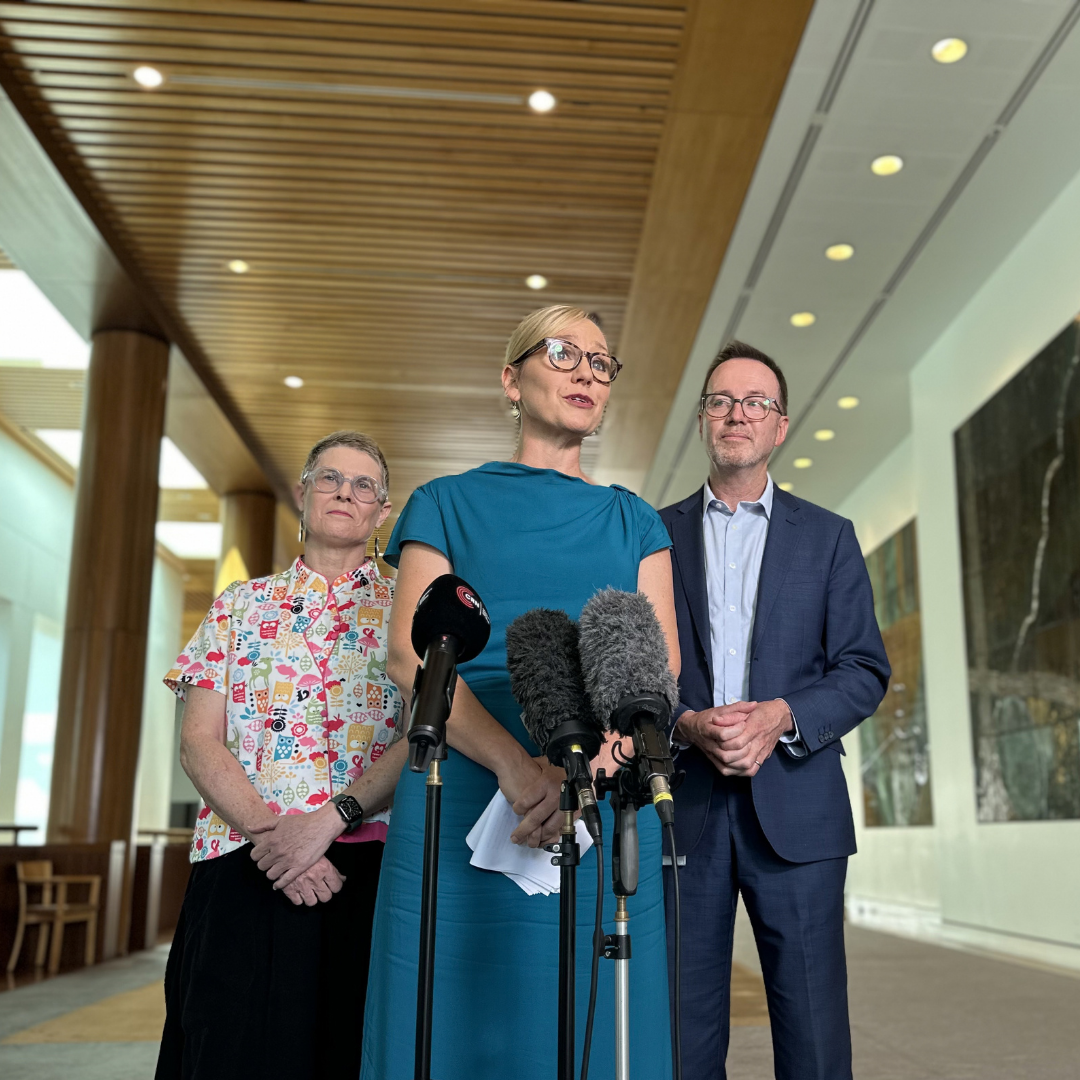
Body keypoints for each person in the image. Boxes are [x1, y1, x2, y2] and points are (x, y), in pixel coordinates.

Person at [360, 306, 679, 1080]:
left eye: (602, 363)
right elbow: (410, 657)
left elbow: (656, 676)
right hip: (460, 779)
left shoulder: (635, 520)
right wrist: (517, 767)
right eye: (564, 352)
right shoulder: (442, 501)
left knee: (590, 1025)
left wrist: (581, 780)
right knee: (443, 1017)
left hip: (596, 796)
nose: (585, 372)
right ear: (512, 378)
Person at [658, 341, 890, 1080]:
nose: (738, 414)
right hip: (683, 801)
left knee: (813, 1026)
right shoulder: (651, 536)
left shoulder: (828, 537)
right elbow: (629, 669)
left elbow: (863, 668)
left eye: (756, 402)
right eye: (722, 401)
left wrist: (782, 714)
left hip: (799, 807)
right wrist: (686, 722)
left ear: (780, 426)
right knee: (682, 1030)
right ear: (703, 420)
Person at [157, 431, 409, 1080]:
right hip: (246, 859)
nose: (345, 494)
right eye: (329, 478)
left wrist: (323, 826)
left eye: (364, 487)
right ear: (302, 493)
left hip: (370, 864)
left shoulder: (409, 611)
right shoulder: (238, 605)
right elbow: (198, 740)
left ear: (383, 512)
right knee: (229, 1048)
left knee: (351, 1051)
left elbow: (423, 735)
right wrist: (278, 840)